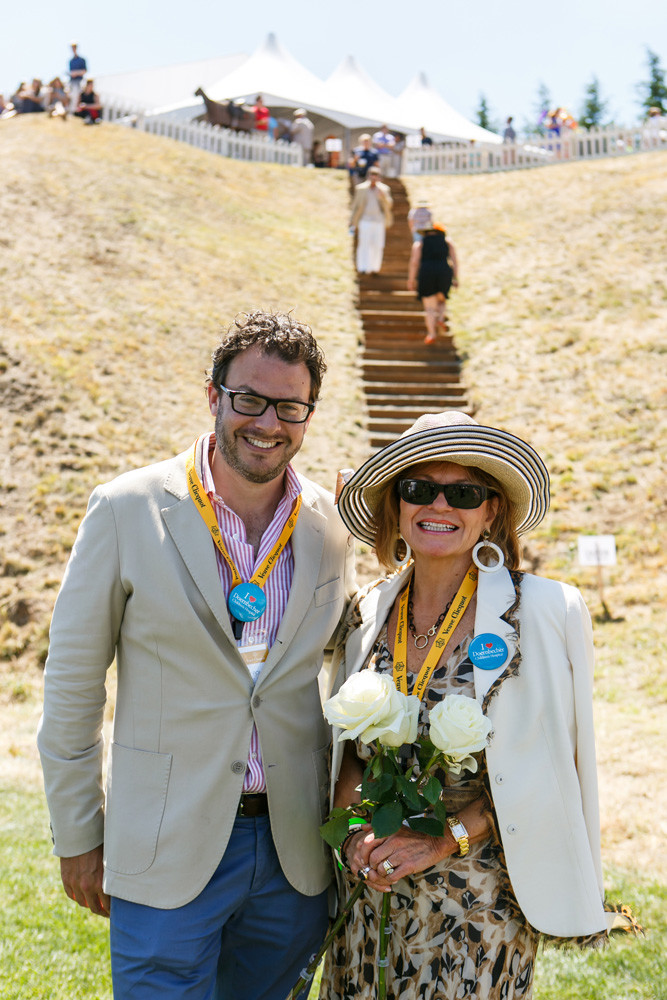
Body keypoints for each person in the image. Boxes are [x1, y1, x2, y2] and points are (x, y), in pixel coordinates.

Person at [37, 310, 355, 1000]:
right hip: (164, 843)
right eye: (249, 399)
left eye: (290, 406)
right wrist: (78, 835)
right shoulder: (124, 509)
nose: (267, 422)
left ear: (308, 414)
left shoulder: (333, 525)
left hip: (292, 852)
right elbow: (71, 687)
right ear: (213, 396)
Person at [321, 409, 610, 1000]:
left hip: (478, 906)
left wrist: (440, 840)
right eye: (419, 488)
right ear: (397, 506)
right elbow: (347, 750)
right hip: (370, 896)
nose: (439, 506)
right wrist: (355, 831)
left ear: (491, 510)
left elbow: (549, 768)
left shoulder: (546, 614)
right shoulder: (366, 611)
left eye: (464, 492)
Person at [407, 223, 458, 343]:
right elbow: (454, 261)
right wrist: (455, 278)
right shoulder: (447, 242)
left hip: (426, 272)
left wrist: (411, 279)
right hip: (444, 271)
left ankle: (431, 333)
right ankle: (440, 318)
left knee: (429, 307)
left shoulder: (420, 244)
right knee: (441, 299)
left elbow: (414, 262)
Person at [349, 166, 393, 275]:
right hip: (365, 219)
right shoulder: (361, 188)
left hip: (378, 220)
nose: (373, 179)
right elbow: (356, 205)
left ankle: (375, 267)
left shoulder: (384, 189)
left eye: (376, 177)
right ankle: (362, 267)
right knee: (364, 244)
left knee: (377, 245)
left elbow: (389, 205)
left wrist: (382, 197)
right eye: (372, 176)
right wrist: (352, 220)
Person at [68, 40, 87, 108]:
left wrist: (76, 73)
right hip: (72, 81)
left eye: (74, 47)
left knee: (77, 95)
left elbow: (84, 71)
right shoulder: (71, 61)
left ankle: (76, 109)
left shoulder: (82, 60)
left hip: (79, 81)